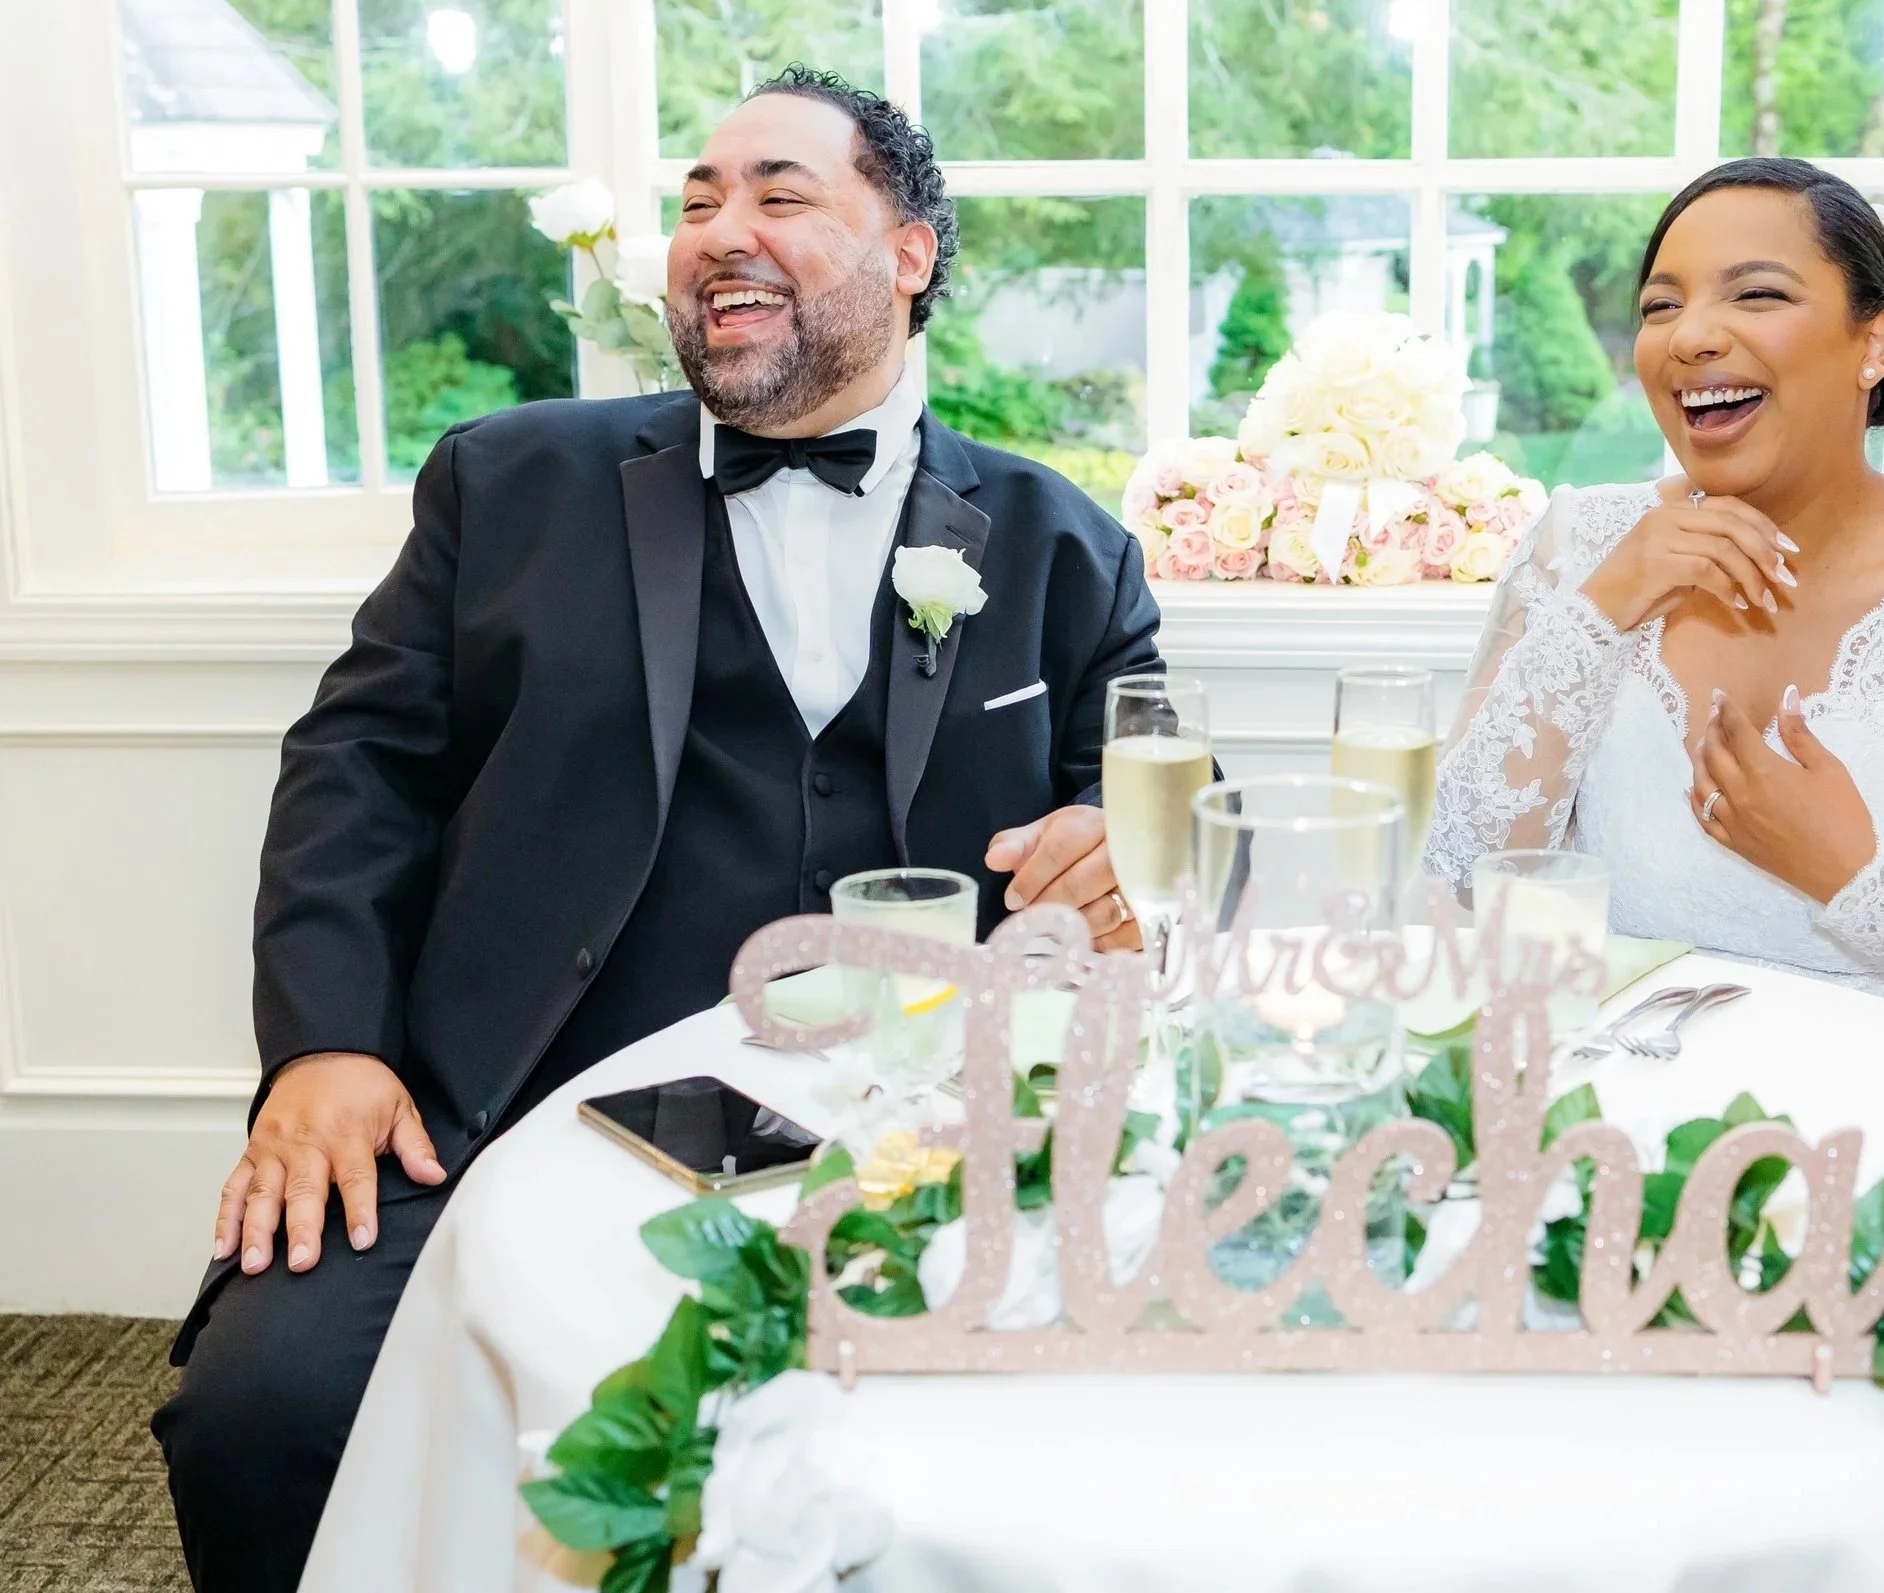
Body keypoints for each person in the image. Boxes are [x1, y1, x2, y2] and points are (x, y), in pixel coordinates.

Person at [153, 67, 1159, 1591]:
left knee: (994, 1464)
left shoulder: (1068, 547)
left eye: (778, 193)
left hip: (909, 1145)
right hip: (502, 1110)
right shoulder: (504, 483)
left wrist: (1118, 854)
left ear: (909, 252)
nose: (717, 230)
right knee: (262, 1414)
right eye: (697, 202)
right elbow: (357, 768)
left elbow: (1150, 817)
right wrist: (326, 1048)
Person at [1425, 158, 1884, 1106]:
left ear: (1873, 342)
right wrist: (1602, 604)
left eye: (1757, 294)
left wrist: (1862, 875)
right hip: (1625, 1096)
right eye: (1662, 306)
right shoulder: (1580, 545)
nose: (1692, 336)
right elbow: (1464, 868)